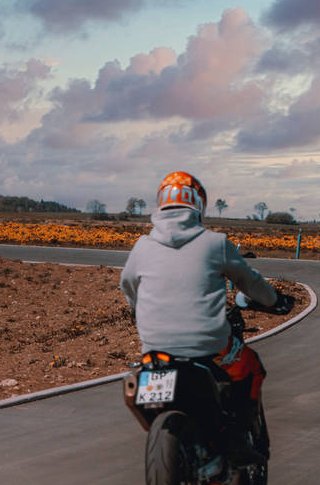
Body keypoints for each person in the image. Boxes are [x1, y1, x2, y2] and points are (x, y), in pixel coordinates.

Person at [120, 171, 293, 461]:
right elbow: (250, 282)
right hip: (209, 345)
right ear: (198, 205)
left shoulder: (142, 247)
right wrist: (275, 300)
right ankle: (238, 440)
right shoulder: (216, 243)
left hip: (154, 349)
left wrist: (138, 308)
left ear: (160, 204)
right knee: (250, 367)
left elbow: (128, 287)